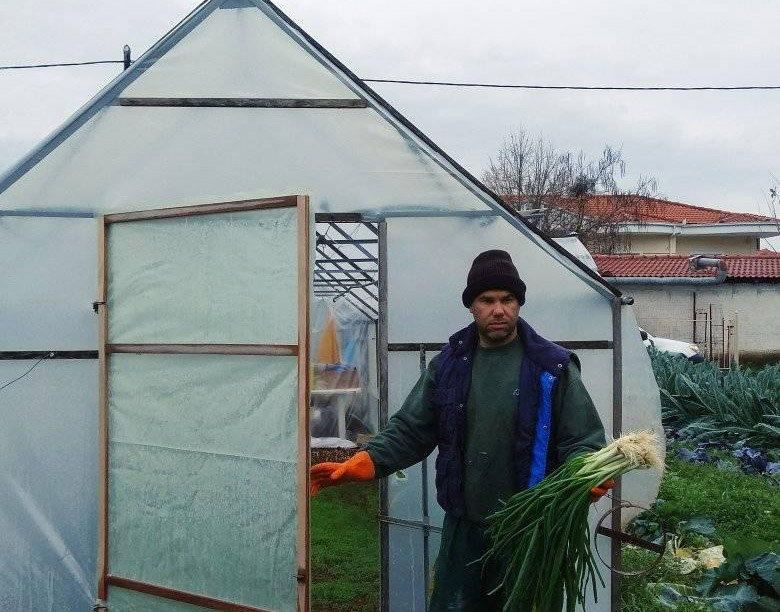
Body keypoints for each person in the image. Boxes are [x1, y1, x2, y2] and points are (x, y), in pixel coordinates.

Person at [310, 249, 613, 611]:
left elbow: (581, 439)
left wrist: (584, 473)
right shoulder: (449, 366)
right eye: (487, 300)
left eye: (508, 299)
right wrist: (370, 460)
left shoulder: (551, 367)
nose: (498, 310)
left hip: (531, 529)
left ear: (518, 303)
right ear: (471, 306)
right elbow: (411, 429)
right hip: (464, 529)